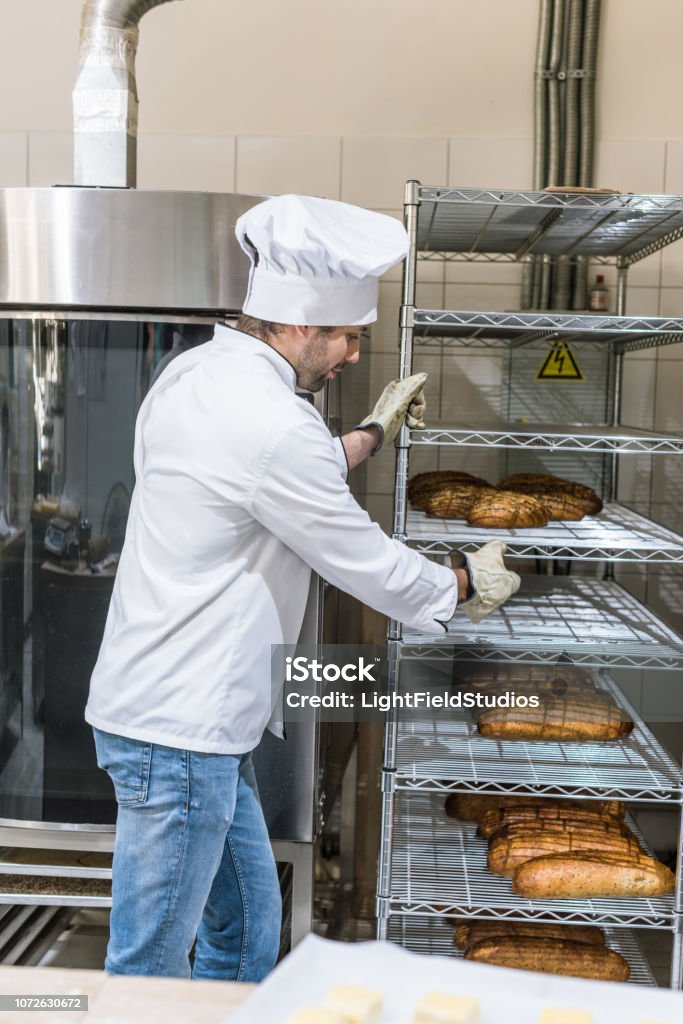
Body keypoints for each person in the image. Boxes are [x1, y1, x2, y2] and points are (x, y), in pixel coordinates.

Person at [85, 194, 520, 980]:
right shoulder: (272, 425)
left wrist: (376, 430)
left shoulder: (199, 374)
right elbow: (356, 554)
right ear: (296, 327)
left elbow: (274, 477)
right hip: (180, 730)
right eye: (349, 337)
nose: (354, 354)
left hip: (188, 725)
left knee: (248, 930)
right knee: (147, 964)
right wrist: (458, 584)